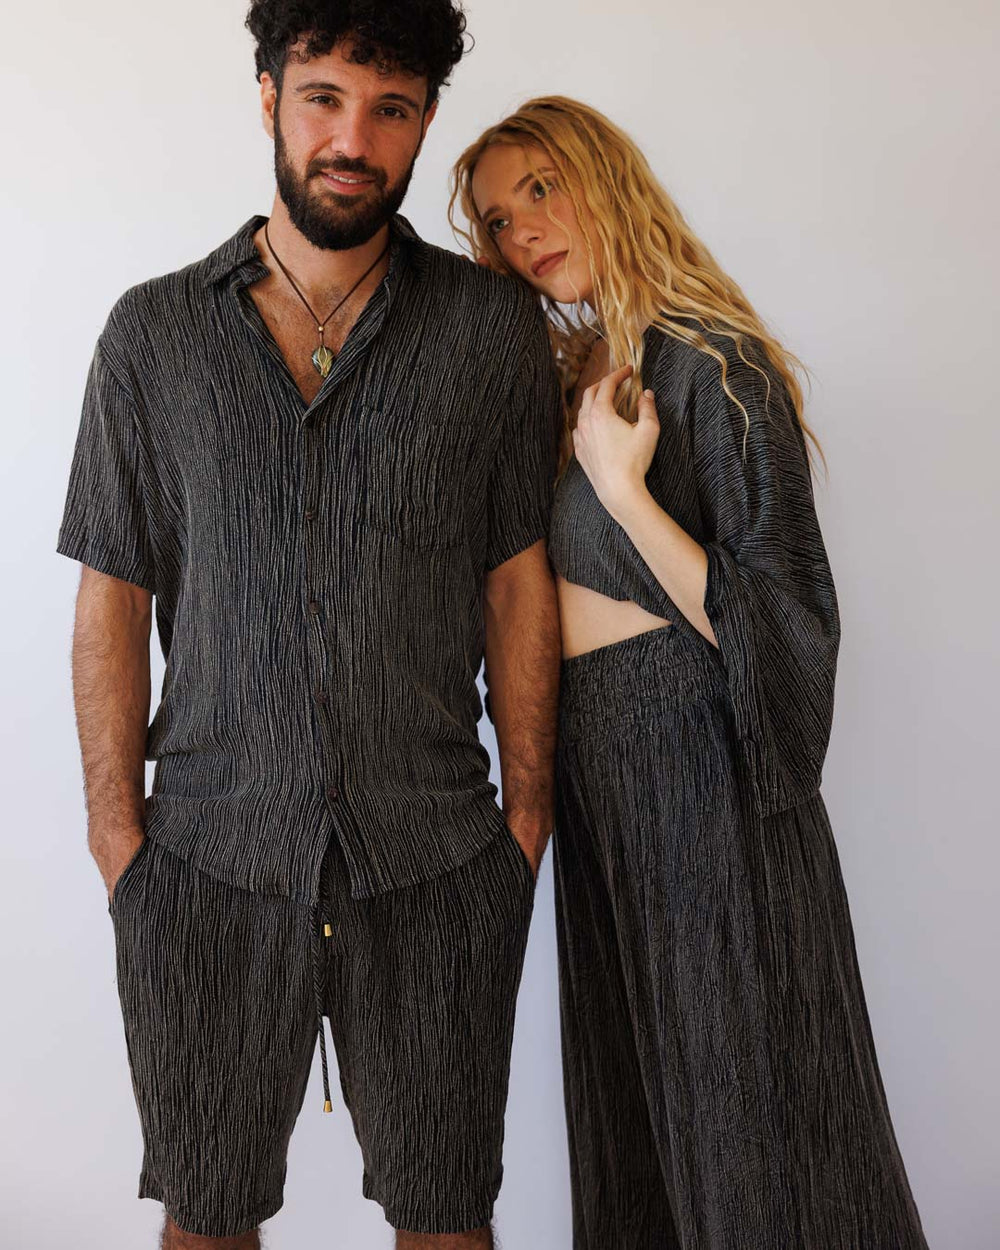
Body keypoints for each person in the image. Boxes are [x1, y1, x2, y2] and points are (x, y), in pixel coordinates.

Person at [55, 5, 563, 1247]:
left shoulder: (490, 331)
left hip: (438, 859)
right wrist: (119, 838)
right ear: (269, 96)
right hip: (206, 864)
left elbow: (517, 578)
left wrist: (524, 823)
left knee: (447, 1218)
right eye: (324, 98)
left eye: (390, 109)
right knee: (207, 1218)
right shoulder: (152, 336)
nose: (353, 139)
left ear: (425, 122)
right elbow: (113, 590)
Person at [452, 96, 930, 1249]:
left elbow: (786, 619)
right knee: (640, 1120)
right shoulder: (574, 375)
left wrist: (624, 492)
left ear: (606, 178)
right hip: (598, 773)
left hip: (699, 769)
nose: (524, 229)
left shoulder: (713, 361)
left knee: (746, 1117)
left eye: (541, 188)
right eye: (499, 218)